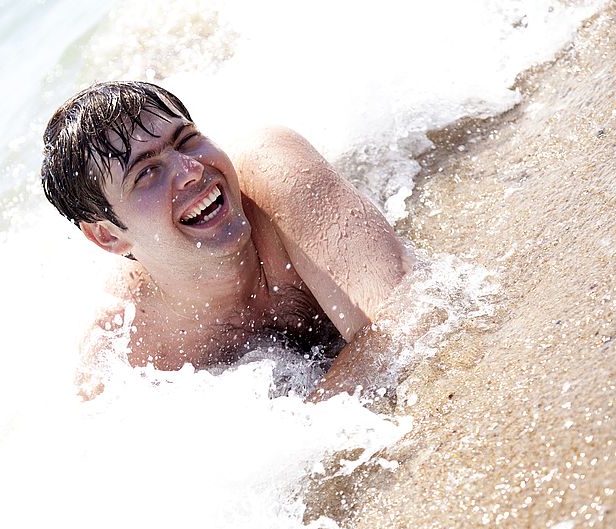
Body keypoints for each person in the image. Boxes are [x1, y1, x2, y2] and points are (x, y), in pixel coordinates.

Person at [41, 81, 411, 398]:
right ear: (107, 235)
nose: (191, 170)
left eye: (186, 141)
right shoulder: (125, 353)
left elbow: (409, 325)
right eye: (148, 172)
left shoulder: (274, 165)